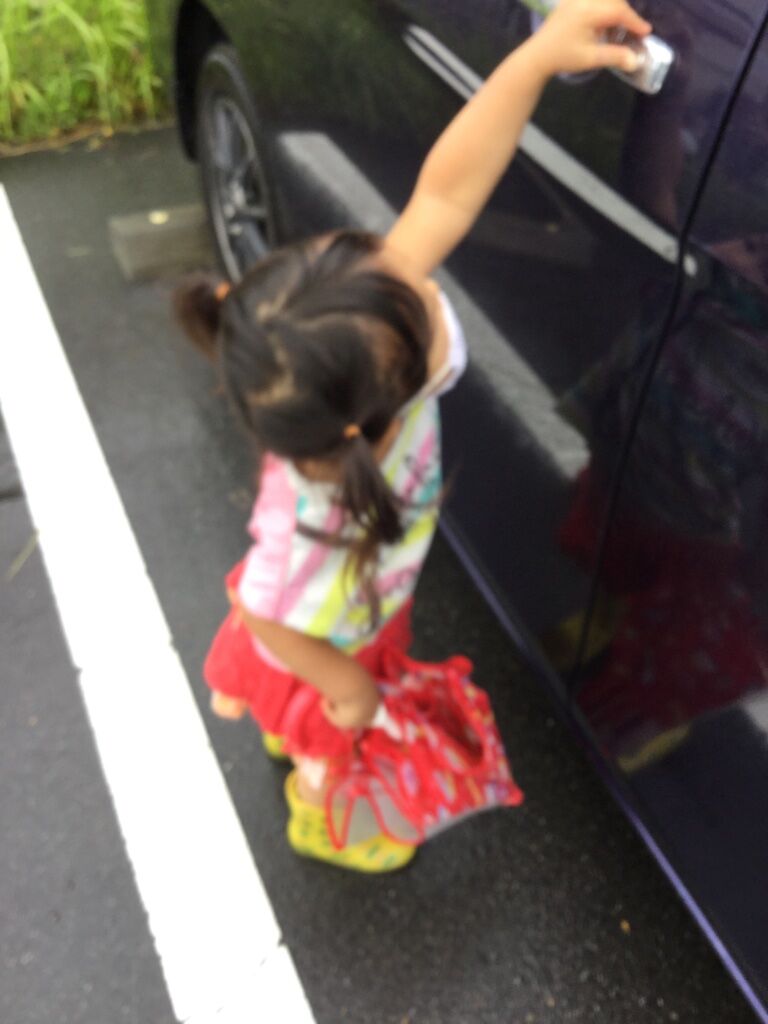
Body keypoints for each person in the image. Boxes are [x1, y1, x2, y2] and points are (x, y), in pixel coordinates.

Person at [174, 0, 651, 872]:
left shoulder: (368, 337)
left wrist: (536, 59)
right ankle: (318, 810)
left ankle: (294, 716)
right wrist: (348, 687)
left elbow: (447, 189)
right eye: (424, 310)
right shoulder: (305, 523)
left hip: (352, 605)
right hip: (325, 641)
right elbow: (269, 613)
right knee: (329, 729)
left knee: (319, 681)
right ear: (377, 419)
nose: (427, 285)